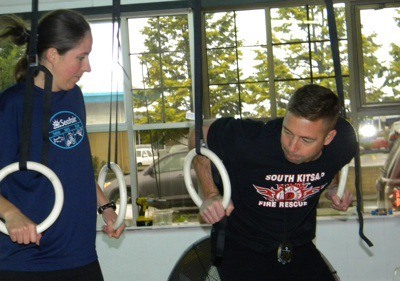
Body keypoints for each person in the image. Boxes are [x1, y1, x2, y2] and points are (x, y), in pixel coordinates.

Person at [0, 10, 125, 281]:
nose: (88, 67)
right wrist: (11, 214)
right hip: (26, 261)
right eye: (81, 57)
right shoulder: (12, 105)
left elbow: (73, 164)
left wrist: (106, 208)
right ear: (53, 55)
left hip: (79, 254)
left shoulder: (74, 97)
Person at [188, 84, 356, 281]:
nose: (292, 147)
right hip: (244, 248)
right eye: (287, 132)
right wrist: (210, 194)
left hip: (298, 247)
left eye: (306, 140)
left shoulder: (345, 141)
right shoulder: (252, 140)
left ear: (329, 137)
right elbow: (197, 134)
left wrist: (335, 186)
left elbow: (336, 159)